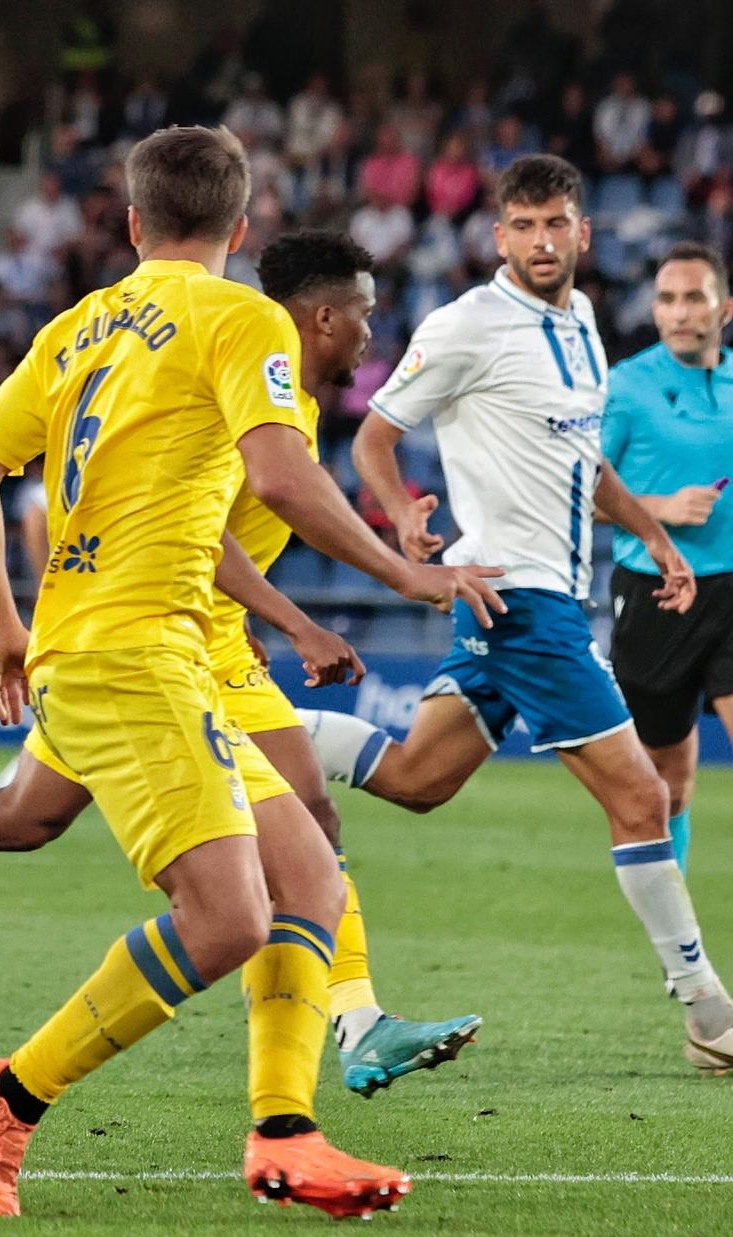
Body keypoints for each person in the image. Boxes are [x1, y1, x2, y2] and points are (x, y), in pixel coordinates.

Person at [0, 127, 499, 1218]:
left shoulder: (77, 323)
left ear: (132, 223)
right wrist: (408, 574)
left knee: (303, 879)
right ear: (241, 231)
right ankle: (7, 1092)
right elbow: (283, 478)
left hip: (111, 644)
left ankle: (283, 1137)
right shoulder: (242, 317)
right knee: (228, 918)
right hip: (136, 654)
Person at [297, 157, 733, 1076]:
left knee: (420, 777)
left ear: (583, 233)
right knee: (643, 796)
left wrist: (654, 535)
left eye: (558, 224)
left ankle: (256, 733)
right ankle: (709, 1013)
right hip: (522, 599)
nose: (542, 241)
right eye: (525, 225)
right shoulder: (467, 325)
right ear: (499, 236)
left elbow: (587, 467)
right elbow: (377, 432)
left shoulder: (581, 326)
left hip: (533, 596)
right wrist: (403, 511)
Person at [600, 243, 733, 875]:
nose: (679, 311)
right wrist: (661, 509)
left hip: (732, 592)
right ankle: (679, 944)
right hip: (654, 592)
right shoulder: (625, 388)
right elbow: (575, 494)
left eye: (694, 297)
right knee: (668, 786)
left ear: (724, 309)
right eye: (667, 298)